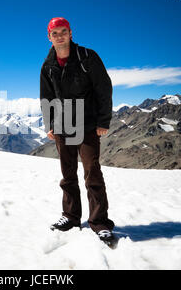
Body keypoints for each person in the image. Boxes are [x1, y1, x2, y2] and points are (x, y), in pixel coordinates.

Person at [40, 17, 116, 246]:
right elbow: (47, 97)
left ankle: (99, 222)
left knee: (92, 172)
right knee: (68, 173)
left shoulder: (87, 57)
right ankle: (72, 217)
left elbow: (104, 88)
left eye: (64, 31)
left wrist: (103, 121)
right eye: (55, 33)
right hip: (63, 125)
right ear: (49, 37)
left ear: (71, 33)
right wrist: (50, 124)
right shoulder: (48, 65)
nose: (60, 36)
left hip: (88, 123)